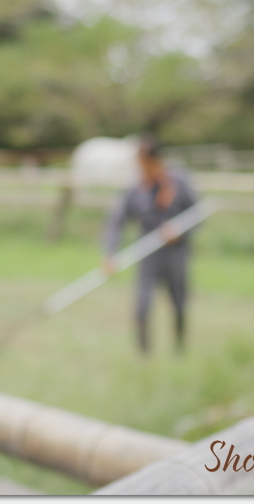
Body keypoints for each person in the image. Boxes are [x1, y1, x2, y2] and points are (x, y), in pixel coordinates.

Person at [102, 136, 198, 355]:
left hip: (176, 254)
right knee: (142, 306)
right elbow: (116, 222)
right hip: (147, 254)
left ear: (156, 160)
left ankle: (179, 351)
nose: (141, 168)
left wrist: (179, 231)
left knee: (179, 304)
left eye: (143, 163)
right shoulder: (136, 188)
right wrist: (110, 254)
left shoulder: (179, 182)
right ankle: (144, 356)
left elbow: (197, 214)